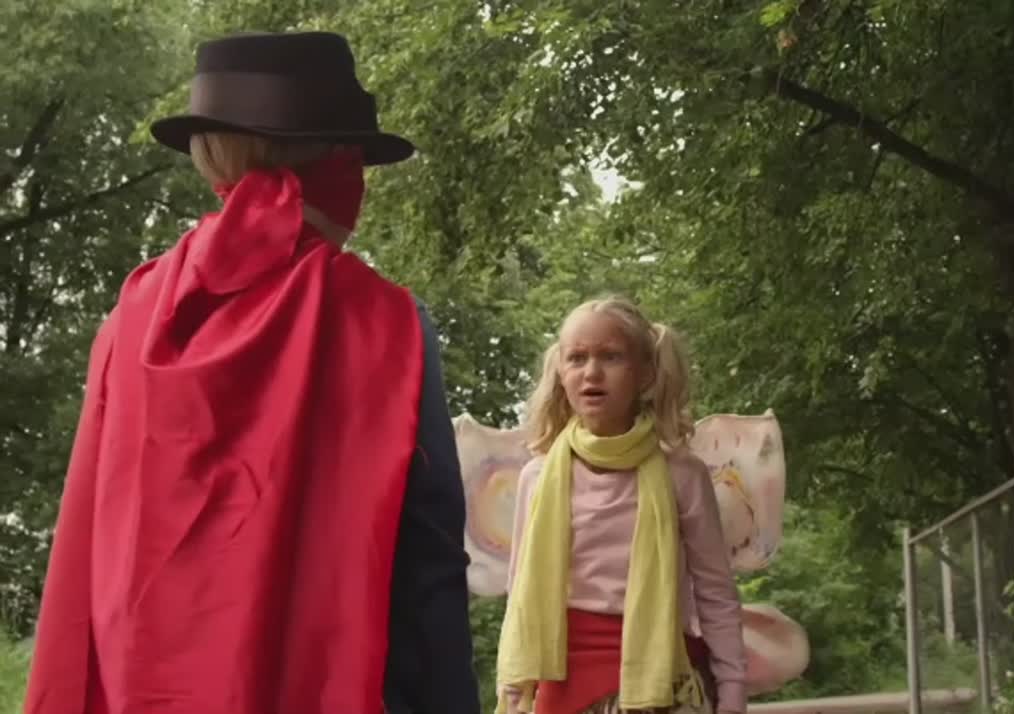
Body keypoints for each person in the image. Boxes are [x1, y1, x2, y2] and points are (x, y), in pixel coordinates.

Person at [23, 31, 480, 714]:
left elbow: (86, 546)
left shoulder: (133, 315)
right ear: (337, 162)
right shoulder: (386, 324)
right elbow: (428, 564)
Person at [496, 297, 746, 714]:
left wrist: (733, 691)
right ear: (561, 372)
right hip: (562, 686)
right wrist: (511, 689)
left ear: (645, 372)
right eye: (577, 358)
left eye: (610, 356)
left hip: (664, 685)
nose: (591, 372)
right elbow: (519, 594)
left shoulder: (682, 474)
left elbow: (715, 593)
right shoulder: (537, 477)